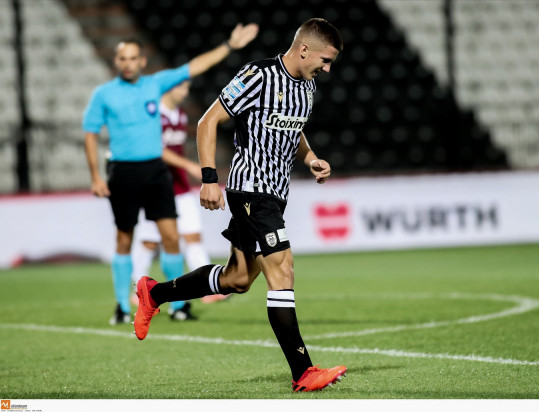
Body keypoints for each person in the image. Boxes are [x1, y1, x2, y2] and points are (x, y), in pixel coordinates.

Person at [135, 18, 347, 392]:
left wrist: (311, 157)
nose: (327, 69)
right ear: (304, 49)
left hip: (275, 195)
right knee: (282, 268)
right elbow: (208, 121)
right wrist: (209, 178)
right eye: (325, 60)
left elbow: (293, 128)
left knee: (236, 279)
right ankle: (303, 372)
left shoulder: (308, 86)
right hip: (251, 191)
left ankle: (154, 292)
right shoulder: (258, 76)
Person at [83, 23, 259, 326]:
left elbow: (194, 67)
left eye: (133, 58)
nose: (128, 63)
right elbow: (90, 133)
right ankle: (122, 306)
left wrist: (229, 46)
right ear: (116, 61)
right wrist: (96, 177)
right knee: (124, 239)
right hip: (122, 171)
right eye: (123, 58)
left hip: (155, 171)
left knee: (171, 237)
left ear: (142, 61)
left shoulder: (155, 84)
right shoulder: (104, 94)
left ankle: (179, 305)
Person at [131, 80, 229, 321]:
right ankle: (137, 288)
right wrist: (189, 165)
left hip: (181, 187)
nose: (185, 92)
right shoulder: (153, 113)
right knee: (150, 242)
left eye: (187, 88)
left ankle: (208, 288)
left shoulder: (180, 114)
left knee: (193, 236)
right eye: (181, 87)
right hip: (155, 187)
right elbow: (155, 149)